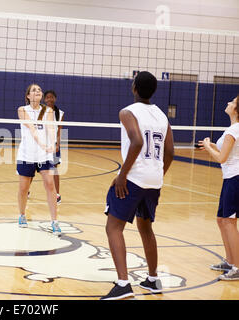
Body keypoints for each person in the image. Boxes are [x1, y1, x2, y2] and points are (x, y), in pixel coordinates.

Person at [101, 71, 174, 300]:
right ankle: (152, 279)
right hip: (154, 180)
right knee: (146, 228)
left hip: (134, 178)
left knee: (113, 227)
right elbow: (170, 152)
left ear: (134, 88)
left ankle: (123, 284)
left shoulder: (127, 112)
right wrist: (157, 174)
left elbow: (137, 141)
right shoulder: (162, 116)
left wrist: (122, 175)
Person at [198, 94, 239, 281]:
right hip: (230, 177)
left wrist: (208, 148)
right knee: (221, 219)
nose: (228, 103)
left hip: (235, 178)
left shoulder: (234, 130)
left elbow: (222, 158)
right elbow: (227, 151)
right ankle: (230, 261)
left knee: (229, 222)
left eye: (232, 102)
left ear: (237, 109)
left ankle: (237, 267)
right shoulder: (232, 129)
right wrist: (212, 145)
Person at [16, 83, 60, 235]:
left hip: (44, 155)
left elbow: (51, 129)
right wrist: (42, 143)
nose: (38, 92)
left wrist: (52, 144)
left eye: (39, 90)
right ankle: (22, 215)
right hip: (26, 154)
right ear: (28, 96)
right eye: (34, 90)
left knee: (50, 184)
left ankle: (54, 221)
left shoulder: (47, 111)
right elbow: (32, 128)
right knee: (23, 188)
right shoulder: (22, 110)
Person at [44, 90, 64, 204]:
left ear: (55, 99)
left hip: (53, 144)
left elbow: (59, 130)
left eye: (52, 97)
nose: (49, 99)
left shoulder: (60, 113)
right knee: (34, 167)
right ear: (44, 99)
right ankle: (27, 190)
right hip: (42, 144)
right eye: (47, 97)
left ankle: (57, 194)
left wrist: (57, 144)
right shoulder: (41, 111)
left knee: (54, 168)